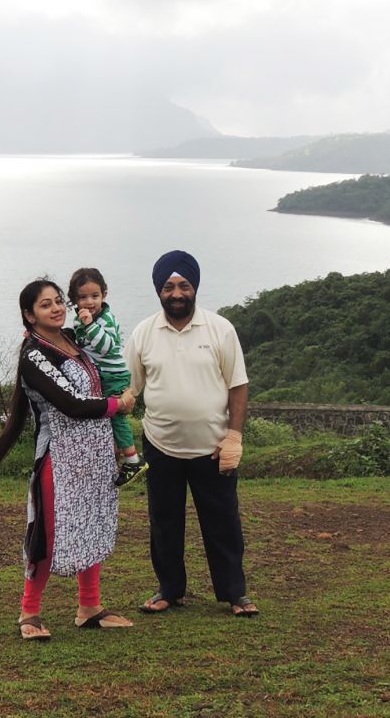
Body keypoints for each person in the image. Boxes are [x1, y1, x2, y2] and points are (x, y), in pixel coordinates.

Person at [0, 278, 137, 640]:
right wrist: (118, 405)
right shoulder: (34, 356)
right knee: (46, 530)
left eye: (59, 301)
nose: (57, 308)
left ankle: (89, 606)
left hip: (97, 454)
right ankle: (30, 612)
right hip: (59, 457)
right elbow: (71, 404)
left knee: (93, 522)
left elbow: (109, 358)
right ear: (29, 315)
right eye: (46, 304)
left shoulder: (74, 338)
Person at [124, 250, 259, 617]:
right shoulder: (143, 333)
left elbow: (238, 385)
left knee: (223, 522)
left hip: (214, 447)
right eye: (168, 287)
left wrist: (234, 436)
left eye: (184, 285)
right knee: (164, 522)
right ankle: (170, 590)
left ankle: (235, 593)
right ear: (159, 291)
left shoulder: (219, 329)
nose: (177, 293)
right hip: (161, 444)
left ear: (195, 287)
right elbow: (130, 390)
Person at [67, 267, 148, 487]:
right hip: (101, 376)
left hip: (113, 376)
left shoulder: (105, 320)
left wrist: (89, 325)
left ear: (104, 294)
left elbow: (105, 347)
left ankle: (133, 459)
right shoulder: (79, 320)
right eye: (82, 297)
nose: (89, 302)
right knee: (105, 417)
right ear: (74, 299)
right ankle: (116, 453)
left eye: (95, 296)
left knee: (117, 416)